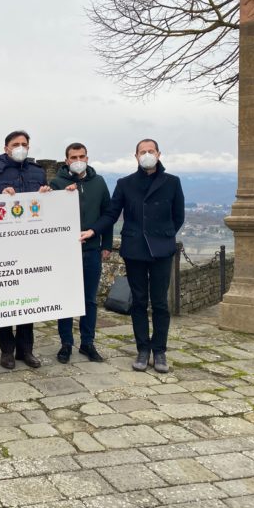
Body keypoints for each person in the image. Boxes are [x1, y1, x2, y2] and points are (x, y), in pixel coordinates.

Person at [80, 139, 184, 373]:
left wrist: (164, 237)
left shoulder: (172, 182)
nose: (147, 155)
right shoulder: (125, 183)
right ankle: (142, 349)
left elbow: (178, 216)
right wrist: (94, 230)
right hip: (135, 249)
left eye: (151, 151)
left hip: (161, 250)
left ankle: (159, 351)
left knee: (159, 303)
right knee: (138, 302)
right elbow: (112, 213)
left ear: (159, 153)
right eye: (142, 152)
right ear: (135, 156)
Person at [0, 130, 51, 369]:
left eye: (24, 144)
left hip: (31, 246)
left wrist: (46, 195)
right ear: (6, 148)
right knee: (5, 301)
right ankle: (7, 351)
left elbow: (44, 208)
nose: (20, 147)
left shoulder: (38, 172)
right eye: (15, 144)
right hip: (3, 246)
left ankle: (26, 350)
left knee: (27, 299)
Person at [50, 142, 112, 364]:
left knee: (89, 299)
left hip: (92, 249)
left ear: (87, 158)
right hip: (66, 251)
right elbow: (51, 215)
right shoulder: (57, 183)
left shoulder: (99, 182)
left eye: (82, 156)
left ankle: (88, 342)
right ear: (66, 160)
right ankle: (66, 343)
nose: (78, 160)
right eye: (73, 157)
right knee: (66, 297)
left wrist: (106, 243)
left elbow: (108, 213)